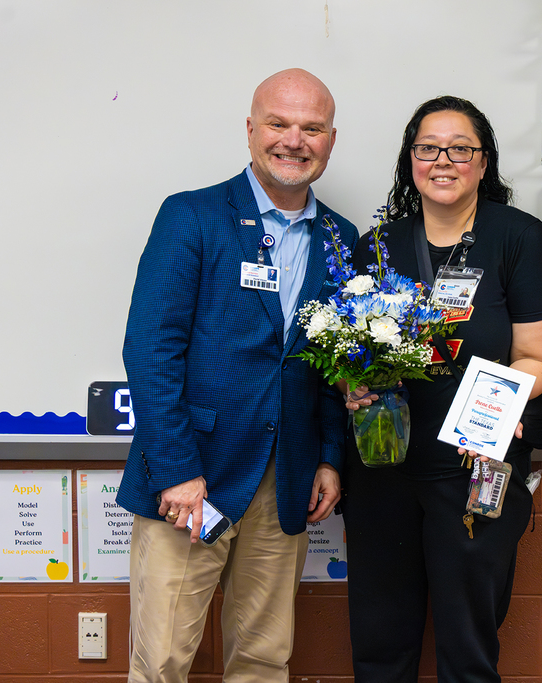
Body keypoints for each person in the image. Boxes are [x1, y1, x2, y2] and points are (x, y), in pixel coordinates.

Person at [116, 68, 358, 683]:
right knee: (164, 659)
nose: (293, 140)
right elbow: (150, 349)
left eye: (312, 128)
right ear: (251, 130)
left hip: (287, 481)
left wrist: (329, 456)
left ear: (332, 139)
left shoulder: (341, 239)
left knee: (263, 657)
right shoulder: (191, 217)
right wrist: (176, 470)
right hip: (192, 478)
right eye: (278, 124)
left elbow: (336, 362)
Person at [342, 96, 542, 683]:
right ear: (410, 159)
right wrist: (352, 385)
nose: (443, 160)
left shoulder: (518, 237)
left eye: (460, 149)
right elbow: (351, 352)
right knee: (380, 645)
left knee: (468, 650)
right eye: (428, 148)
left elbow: (536, 357)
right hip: (383, 472)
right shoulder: (379, 244)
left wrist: (499, 409)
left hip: (474, 471)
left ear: (483, 162)